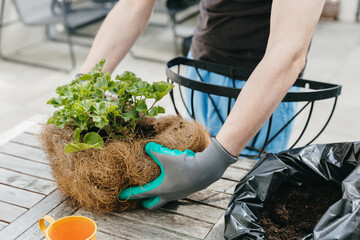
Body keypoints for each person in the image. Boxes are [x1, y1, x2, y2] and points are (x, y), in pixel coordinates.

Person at [79, 0, 325, 209]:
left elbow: (289, 49)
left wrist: (212, 163)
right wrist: (83, 87)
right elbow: (134, 5)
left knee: (236, 201)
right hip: (200, 70)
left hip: (257, 90)